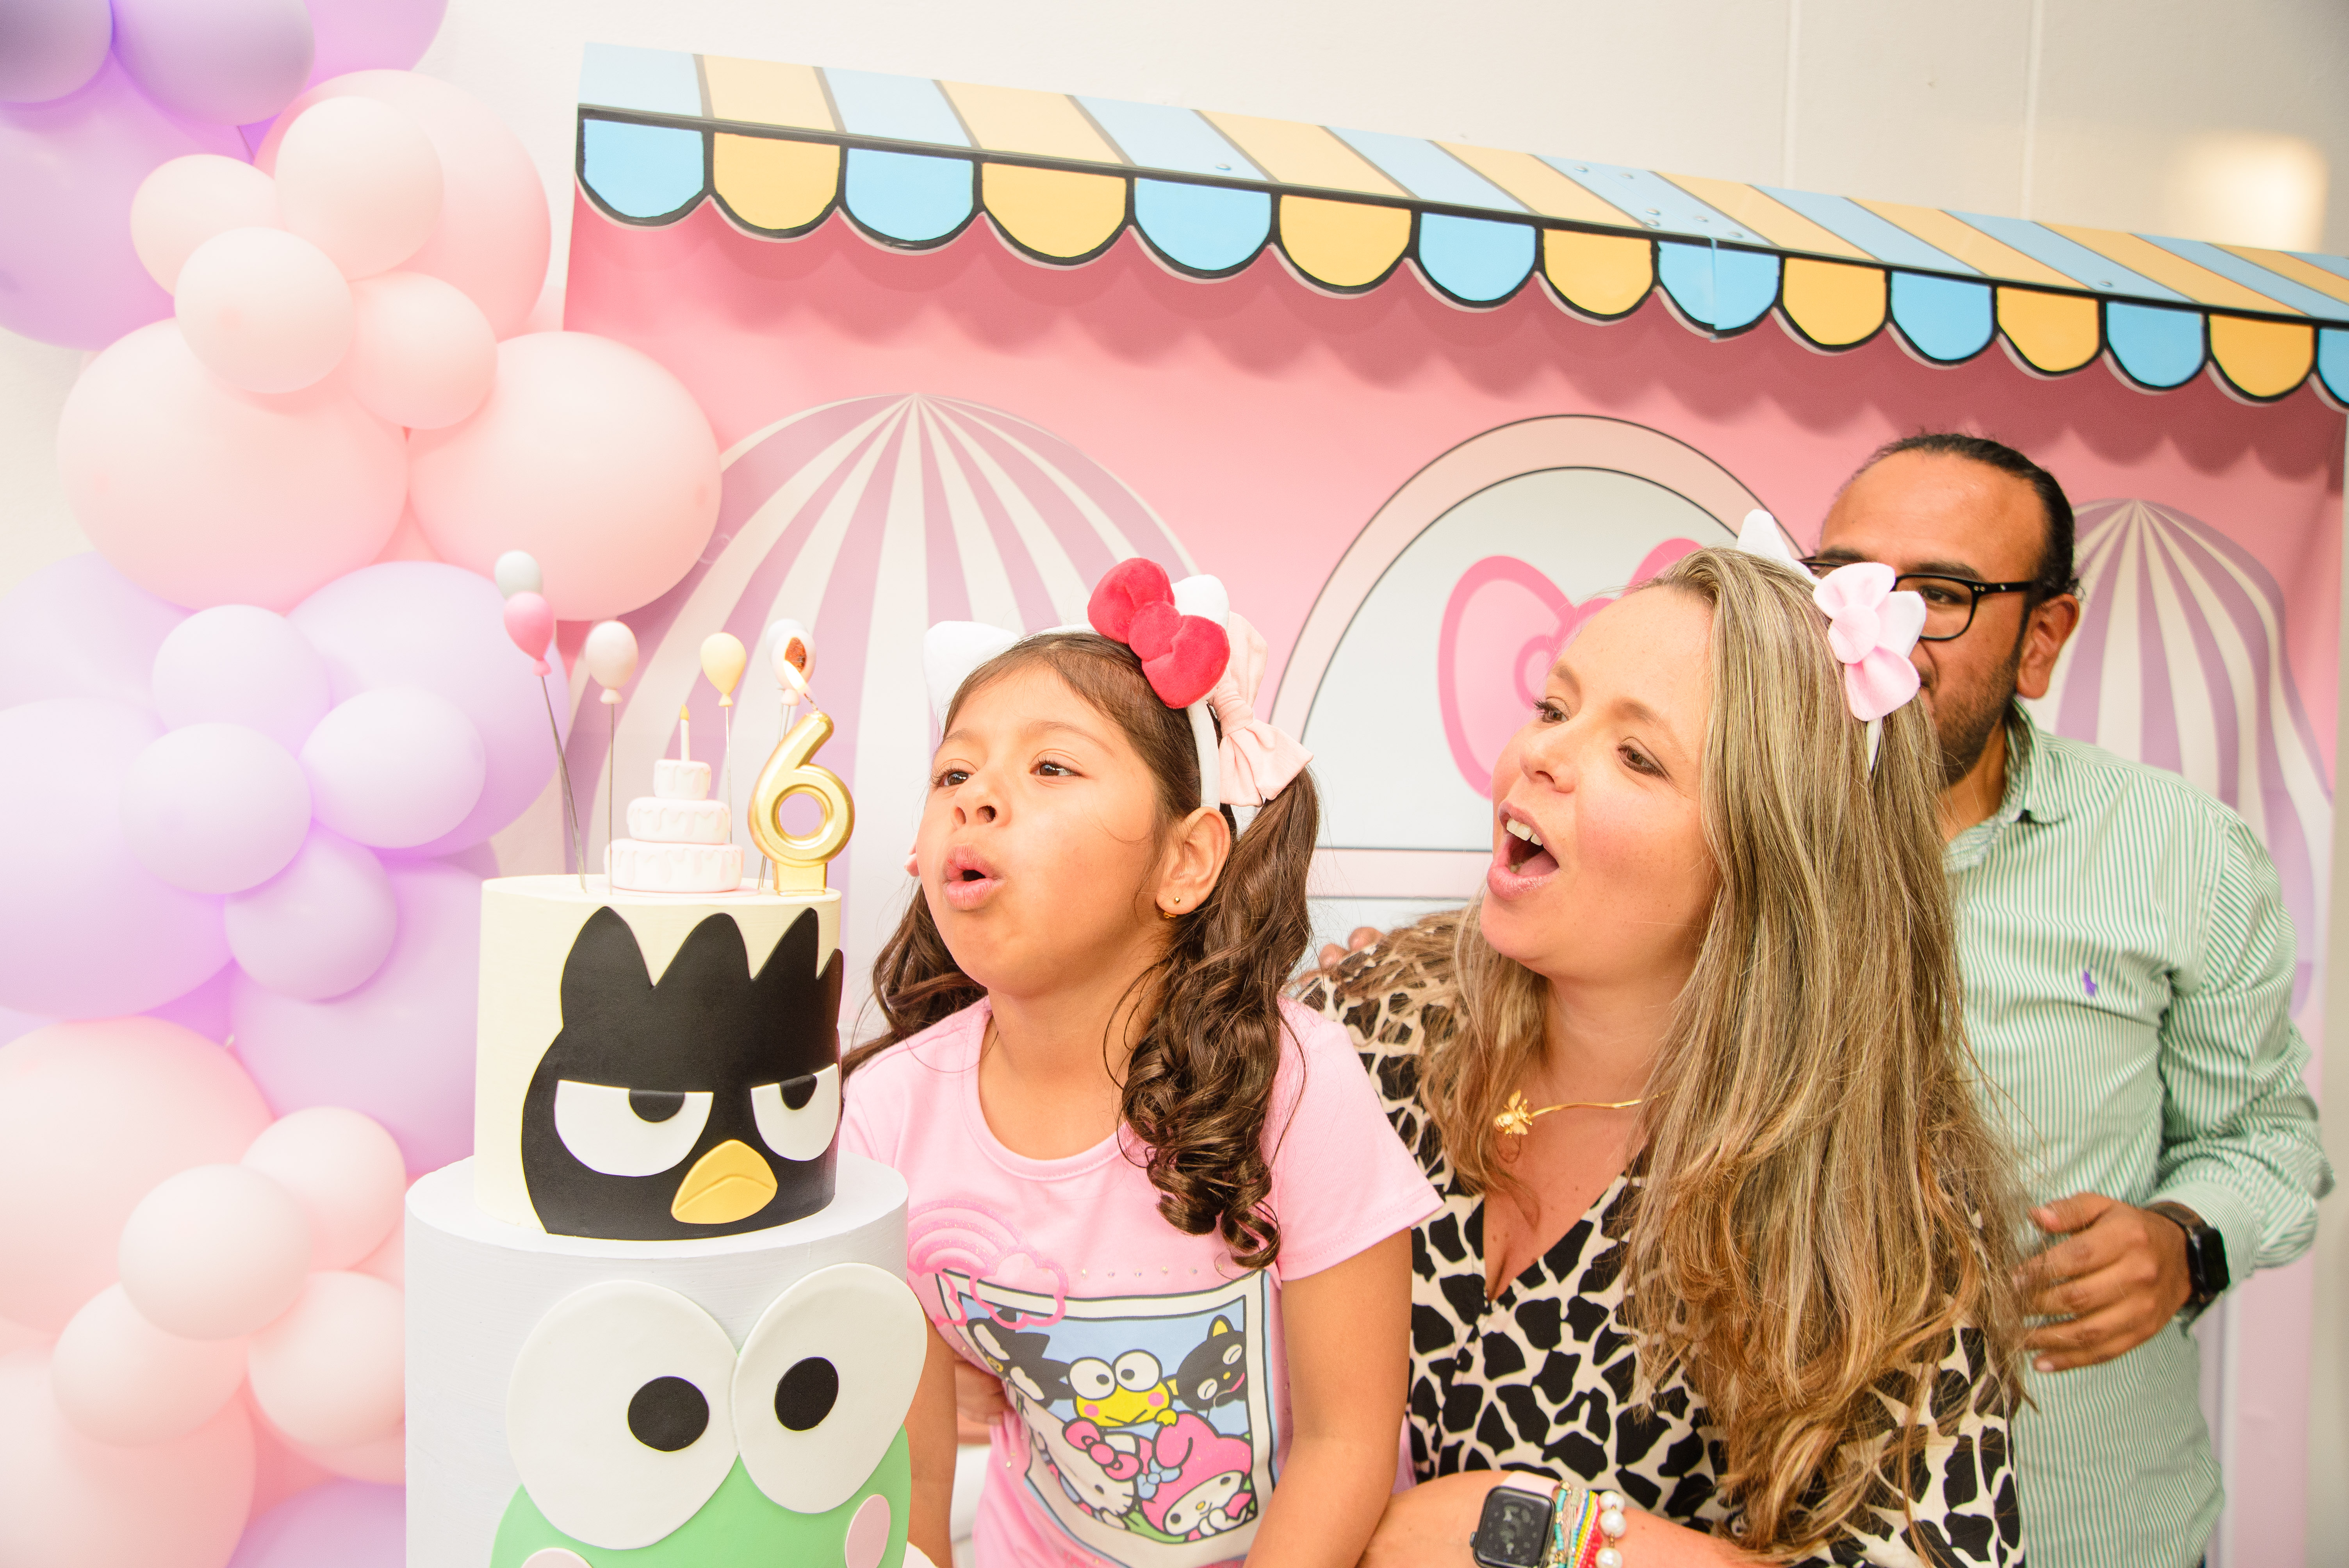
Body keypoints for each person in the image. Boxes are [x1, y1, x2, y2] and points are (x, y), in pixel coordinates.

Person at [1300, 545, 2028, 1566]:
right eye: (1555, 708)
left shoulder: (1881, 1200)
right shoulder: (1369, 1023)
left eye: (1638, 757)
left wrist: (1543, 1539)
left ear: (1769, 863)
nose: (1541, 755)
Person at [841, 561, 1442, 1568]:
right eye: (953, 775)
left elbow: (1347, 1443)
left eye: (1051, 768)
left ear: (1186, 861)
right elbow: (914, 1473)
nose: (977, 799)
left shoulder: (1296, 1084)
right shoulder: (886, 1113)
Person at [1805, 433, 2333, 1568]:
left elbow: (2268, 1144)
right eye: (1844, 581)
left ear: (2041, 638)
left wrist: (2186, 1242)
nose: (1876, 630)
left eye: (1939, 596)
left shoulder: (2183, 851)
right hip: (1760, 1518)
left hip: (2086, 1524)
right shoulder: (1711, 836)